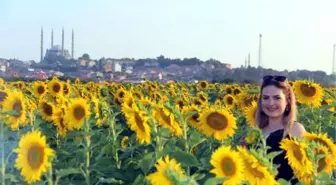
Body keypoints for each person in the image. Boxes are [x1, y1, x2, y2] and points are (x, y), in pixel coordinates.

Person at [255, 75, 306, 183]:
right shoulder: (257, 132)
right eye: (266, 98)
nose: (270, 103)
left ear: (287, 101)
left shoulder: (295, 130)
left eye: (277, 98)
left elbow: (308, 168)